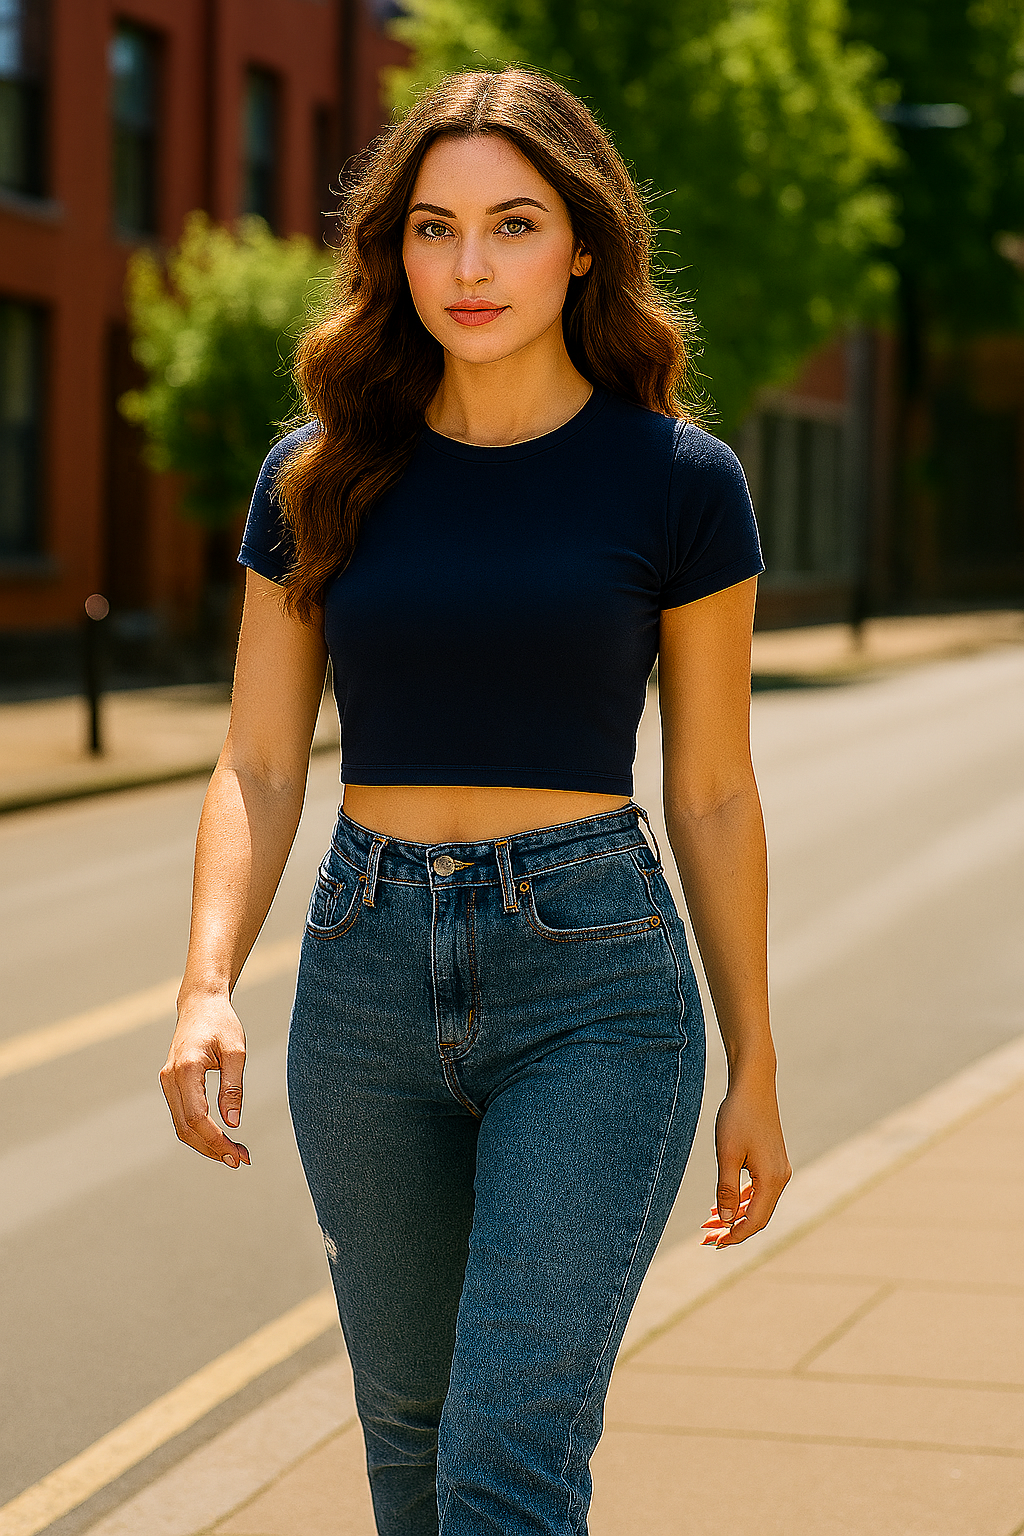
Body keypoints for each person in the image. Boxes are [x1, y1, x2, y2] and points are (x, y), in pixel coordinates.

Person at [160, 66, 790, 1536]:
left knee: (506, 1458)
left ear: (583, 244)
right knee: (410, 1431)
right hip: (364, 973)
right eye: (434, 229)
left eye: (513, 224)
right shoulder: (317, 477)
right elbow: (257, 762)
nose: (470, 265)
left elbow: (710, 788)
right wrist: (206, 983)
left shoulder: (681, 483)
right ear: (395, 253)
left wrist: (755, 1055)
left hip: (597, 988)